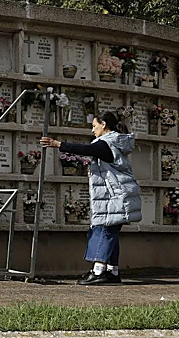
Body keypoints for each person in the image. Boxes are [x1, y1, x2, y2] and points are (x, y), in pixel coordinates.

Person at [40, 109, 141, 285]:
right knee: (111, 233)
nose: (92, 130)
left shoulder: (107, 143)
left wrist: (58, 144)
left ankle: (98, 271)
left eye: (94, 126)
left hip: (113, 196)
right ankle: (112, 271)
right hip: (118, 195)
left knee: (103, 229)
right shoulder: (117, 142)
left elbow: (86, 149)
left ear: (103, 125)